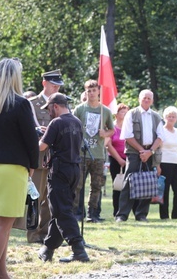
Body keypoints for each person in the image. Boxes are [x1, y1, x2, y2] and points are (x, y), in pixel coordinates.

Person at [0, 58, 39, 278]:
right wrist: (33, 165)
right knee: (4, 224)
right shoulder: (20, 103)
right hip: (12, 168)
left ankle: (1, 272)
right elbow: (31, 140)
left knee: (0, 223)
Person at [37, 93, 89, 263]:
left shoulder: (56, 123)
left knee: (62, 210)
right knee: (59, 210)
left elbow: (42, 147)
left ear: (56, 106)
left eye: (49, 108)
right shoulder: (77, 122)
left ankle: (78, 248)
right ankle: (48, 249)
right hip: (74, 169)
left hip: (59, 171)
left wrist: (38, 136)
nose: (48, 112)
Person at [26, 69, 64, 243]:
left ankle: (46, 234)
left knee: (50, 199)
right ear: (44, 83)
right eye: (53, 85)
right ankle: (33, 234)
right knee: (37, 197)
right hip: (40, 157)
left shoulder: (61, 103)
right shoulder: (32, 104)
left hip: (56, 157)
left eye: (58, 86)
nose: (56, 88)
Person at [115, 89, 163, 222]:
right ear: (139, 99)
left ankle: (141, 214)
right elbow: (127, 135)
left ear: (152, 100)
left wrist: (150, 152)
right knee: (128, 183)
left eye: (149, 98)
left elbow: (160, 137)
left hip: (150, 153)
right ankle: (122, 215)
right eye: (144, 98)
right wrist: (142, 151)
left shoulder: (156, 116)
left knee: (148, 182)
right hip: (134, 153)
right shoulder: (131, 114)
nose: (146, 100)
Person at [73, 79, 114, 223]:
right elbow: (72, 126)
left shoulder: (105, 111)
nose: (91, 93)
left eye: (94, 90)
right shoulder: (79, 109)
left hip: (97, 154)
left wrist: (105, 133)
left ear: (99, 92)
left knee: (96, 185)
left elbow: (112, 130)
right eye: (88, 91)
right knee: (78, 185)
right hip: (81, 153)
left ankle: (93, 214)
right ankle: (77, 213)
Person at [158, 106, 177, 219]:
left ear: (176, 118)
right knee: (165, 190)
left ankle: (176, 215)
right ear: (165, 118)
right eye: (169, 116)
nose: (171, 118)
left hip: (175, 164)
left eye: (173, 116)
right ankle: (164, 216)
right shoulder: (161, 131)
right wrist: (157, 165)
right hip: (164, 162)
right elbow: (158, 149)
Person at [105, 103, 129, 216]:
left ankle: (126, 211)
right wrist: (119, 159)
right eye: (122, 111)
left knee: (128, 186)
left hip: (129, 159)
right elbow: (108, 145)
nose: (124, 114)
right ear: (117, 113)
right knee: (117, 185)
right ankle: (116, 211)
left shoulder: (129, 127)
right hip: (115, 159)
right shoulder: (112, 127)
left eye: (126, 111)